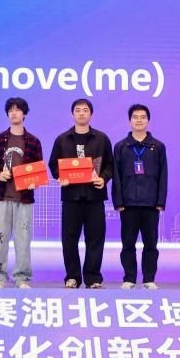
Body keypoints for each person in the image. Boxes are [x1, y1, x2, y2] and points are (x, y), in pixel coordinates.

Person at [48, 98, 114, 289]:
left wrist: (103, 178)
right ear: (72, 114)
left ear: (91, 114)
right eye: (78, 110)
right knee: (69, 239)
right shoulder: (62, 139)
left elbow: (110, 165)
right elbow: (53, 164)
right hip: (71, 196)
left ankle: (93, 278)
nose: (82, 113)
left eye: (85, 110)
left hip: (95, 196)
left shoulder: (101, 139)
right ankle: (72, 277)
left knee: (95, 239)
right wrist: (60, 176)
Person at [0, 97, 43, 289]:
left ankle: (22, 278)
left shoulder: (33, 141)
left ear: (24, 114)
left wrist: (34, 181)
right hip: (2, 197)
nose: (14, 113)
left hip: (24, 199)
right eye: (10, 110)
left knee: (23, 241)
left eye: (17, 110)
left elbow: (38, 167)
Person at [111, 103, 168, 290]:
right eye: (135, 117)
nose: (139, 120)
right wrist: (118, 202)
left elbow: (163, 175)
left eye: (143, 117)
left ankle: (149, 279)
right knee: (128, 244)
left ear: (148, 121)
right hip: (128, 204)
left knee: (151, 244)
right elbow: (116, 176)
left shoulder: (158, 147)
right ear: (130, 121)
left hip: (151, 204)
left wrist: (160, 201)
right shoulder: (121, 147)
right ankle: (129, 278)